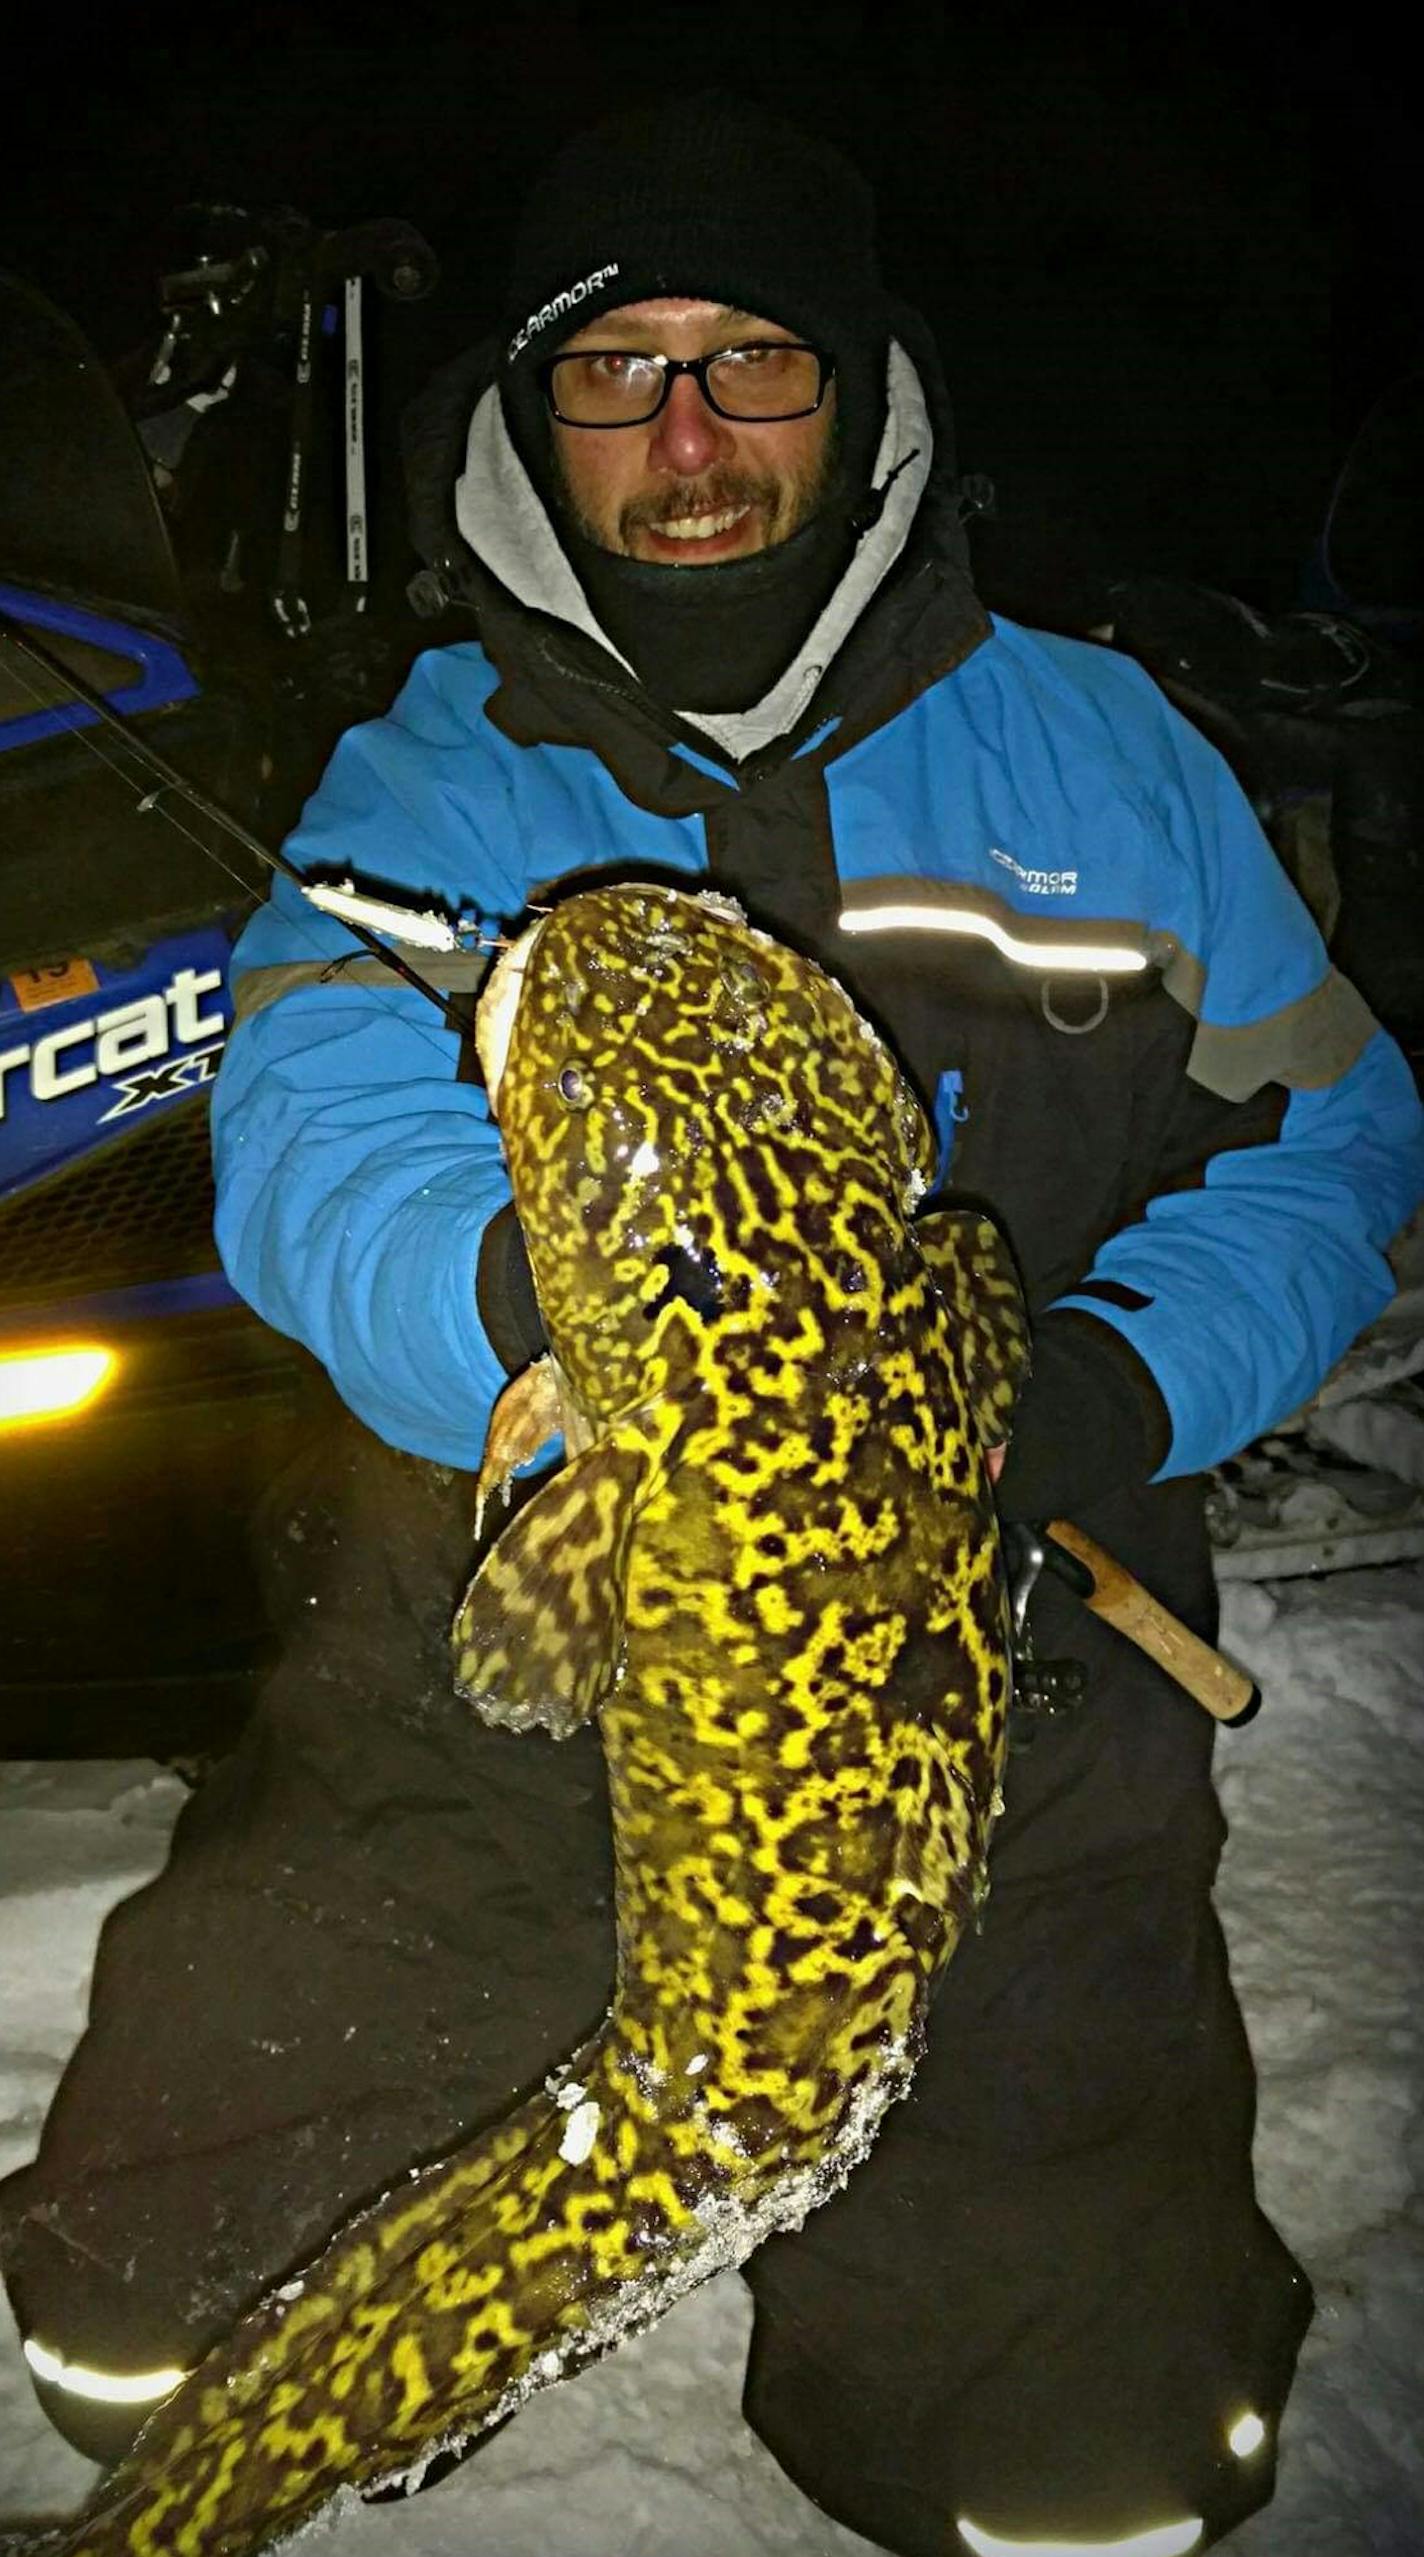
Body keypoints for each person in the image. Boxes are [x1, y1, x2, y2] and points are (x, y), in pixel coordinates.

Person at [4, 92, 1421, 2556]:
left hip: (1002, 1666)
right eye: (614, 369)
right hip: (493, 1624)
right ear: (527, 421)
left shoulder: (1109, 751)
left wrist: (1104, 1380)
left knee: (1075, 2477)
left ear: (860, 391)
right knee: (134, 2320)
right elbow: (305, 1132)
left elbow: (1341, 1140)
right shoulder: (423, 774)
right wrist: (528, 1307)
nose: (681, 432)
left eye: (750, 359)